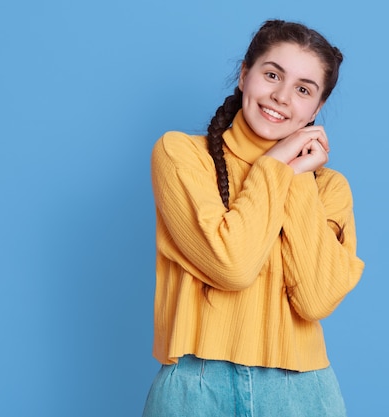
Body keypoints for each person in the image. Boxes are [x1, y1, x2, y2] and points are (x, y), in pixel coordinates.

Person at [143, 19, 365, 417]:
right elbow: (232, 266)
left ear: (318, 107)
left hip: (302, 392)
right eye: (272, 74)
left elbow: (316, 300)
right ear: (244, 75)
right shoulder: (181, 155)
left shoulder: (329, 188)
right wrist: (276, 167)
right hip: (196, 389)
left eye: (302, 89)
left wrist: (293, 175)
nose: (281, 96)